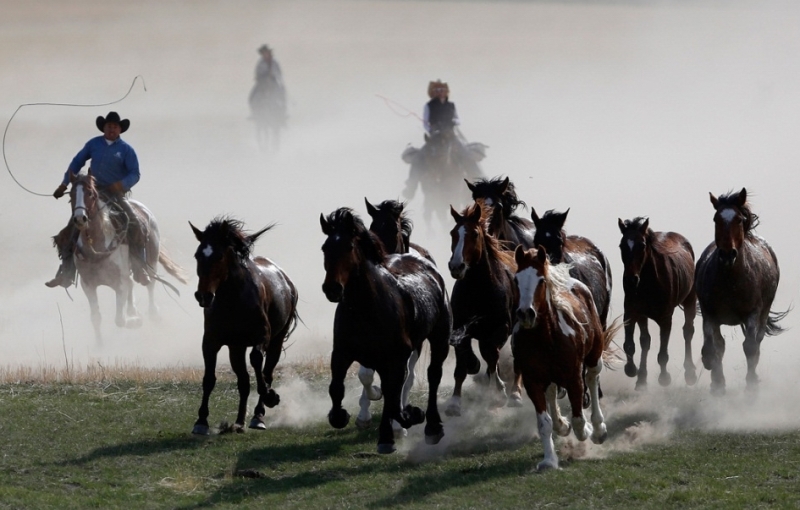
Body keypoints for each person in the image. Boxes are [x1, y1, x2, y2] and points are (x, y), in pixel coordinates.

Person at [46, 111, 150, 288]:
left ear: (120, 130)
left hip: (115, 194)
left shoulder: (126, 150)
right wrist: (64, 185)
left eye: (115, 126)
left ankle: (140, 268)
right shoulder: (93, 144)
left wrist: (120, 185)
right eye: (109, 126)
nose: (111, 129)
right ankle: (66, 270)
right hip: (91, 192)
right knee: (71, 229)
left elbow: (135, 173)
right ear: (104, 127)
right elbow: (76, 163)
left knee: (134, 222)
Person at [248, 44, 286, 123]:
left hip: (273, 82)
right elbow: (257, 73)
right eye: (263, 53)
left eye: (266, 53)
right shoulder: (260, 63)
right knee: (252, 97)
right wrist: (262, 77)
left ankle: (282, 114)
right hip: (262, 83)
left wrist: (273, 75)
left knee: (282, 94)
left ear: (269, 53)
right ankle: (255, 113)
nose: (265, 54)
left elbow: (278, 73)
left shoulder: (274, 62)